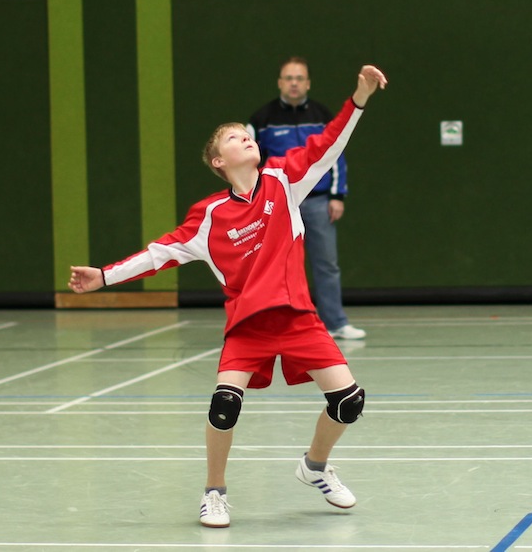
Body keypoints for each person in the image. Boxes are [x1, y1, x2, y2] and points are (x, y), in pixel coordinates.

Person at [68, 64, 388, 529]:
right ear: (218, 161)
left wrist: (358, 98)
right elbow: (158, 254)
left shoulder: (284, 182)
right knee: (225, 404)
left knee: (349, 402)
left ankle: (315, 467)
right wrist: (103, 276)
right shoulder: (209, 215)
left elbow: (328, 145)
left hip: (298, 318)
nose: (245, 139)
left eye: (247, 135)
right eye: (234, 139)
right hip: (248, 326)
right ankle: (214, 492)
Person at [246, 57, 365, 341]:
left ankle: (335, 322)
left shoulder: (322, 115)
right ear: (280, 83)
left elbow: (336, 154)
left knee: (326, 263)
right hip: (279, 204)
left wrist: (337, 195)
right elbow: (249, 162)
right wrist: (258, 199)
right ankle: (278, 325)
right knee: (278, 266)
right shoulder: (261, 120)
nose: (294, 83)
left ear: (308, 83)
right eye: (289, 78)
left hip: (318, 202)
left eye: (299, 78)